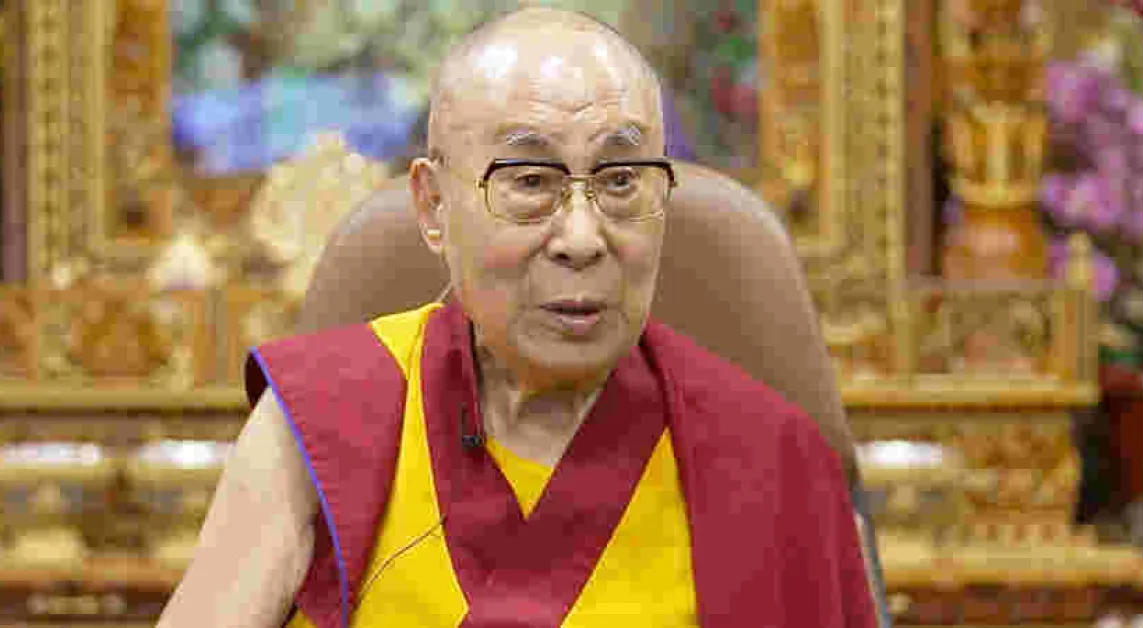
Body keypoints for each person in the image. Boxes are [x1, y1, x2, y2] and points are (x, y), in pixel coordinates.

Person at [157, 8, 878, 628]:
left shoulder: (773, 463)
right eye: (529, 181)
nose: (582, 238)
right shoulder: (323, 417)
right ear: (434, 207)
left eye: (621, 181)